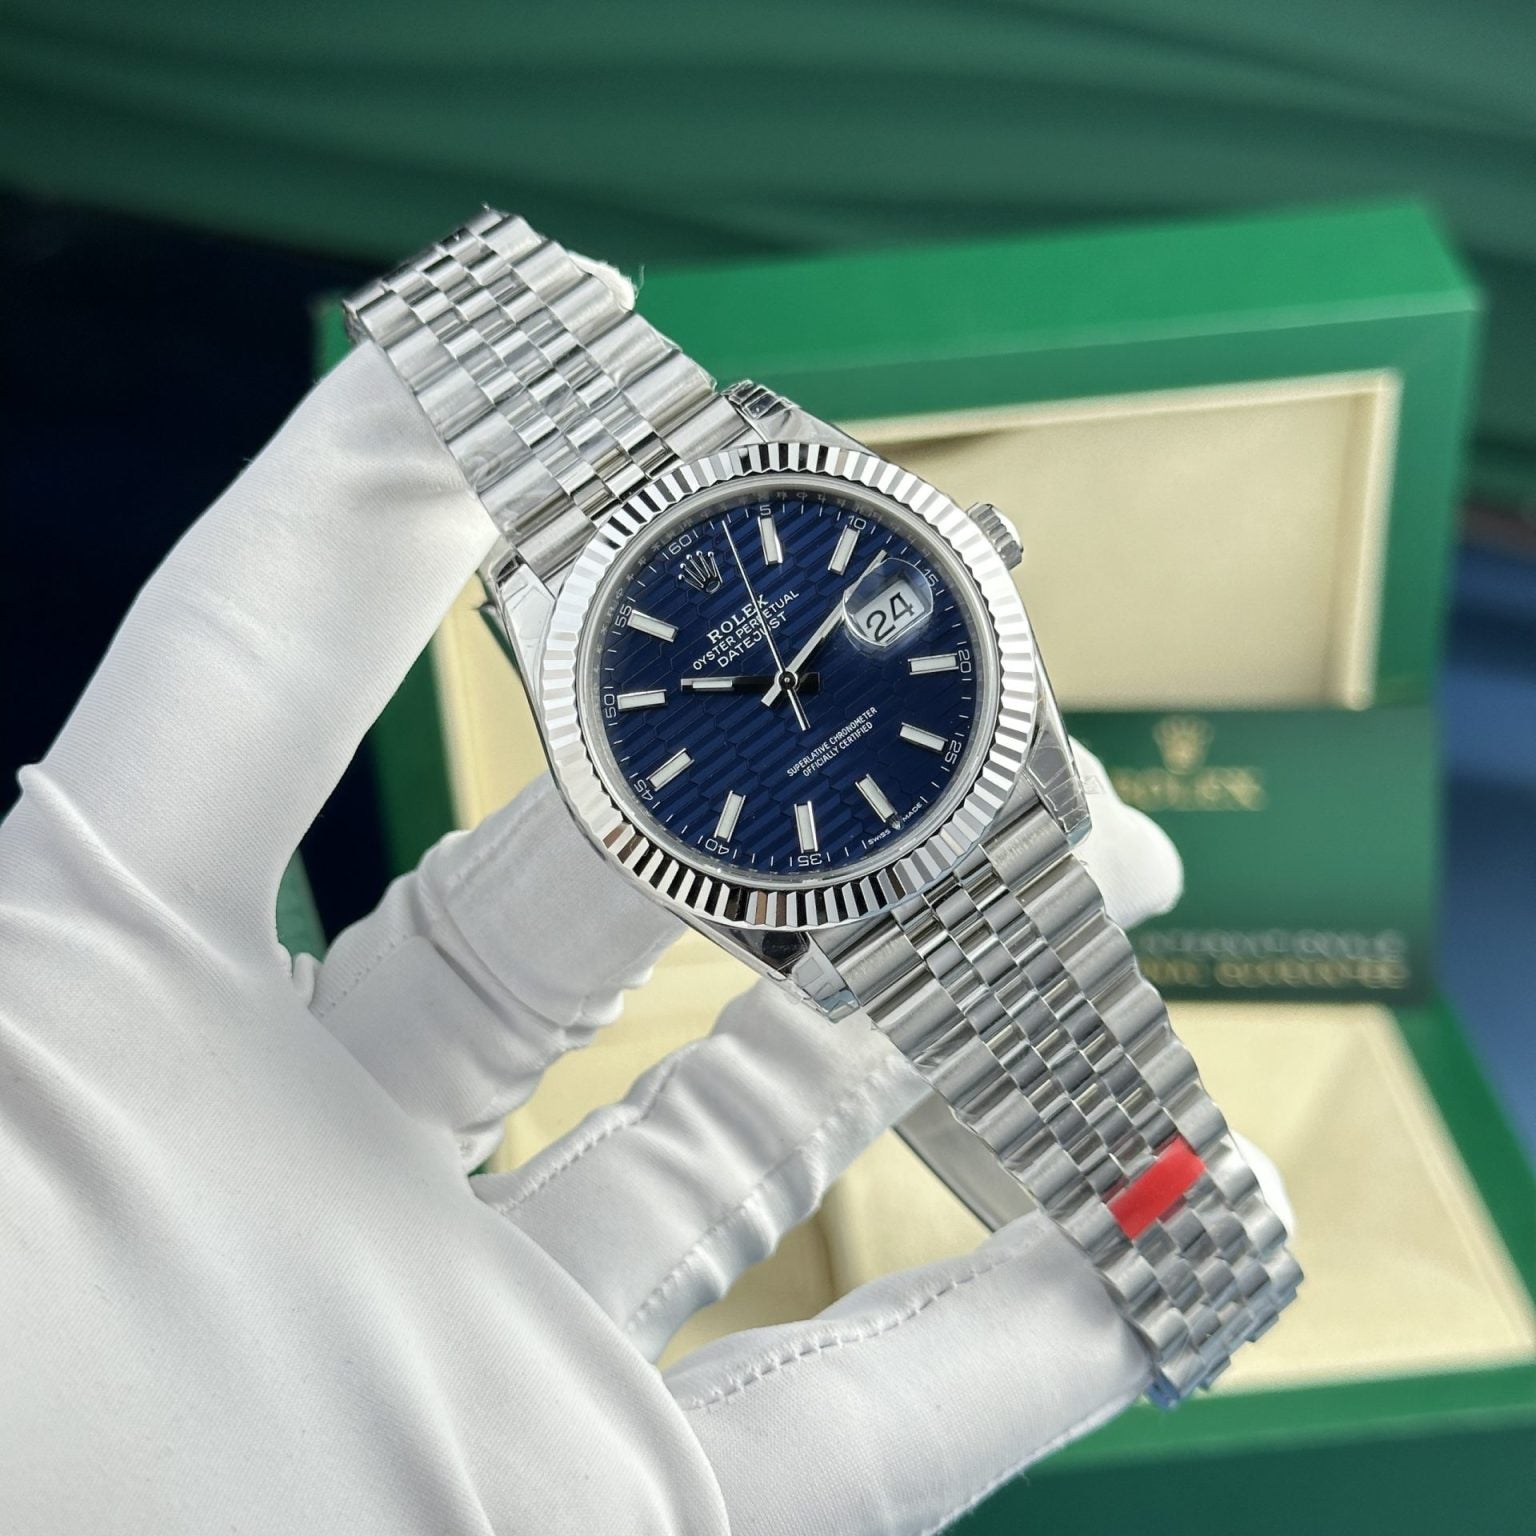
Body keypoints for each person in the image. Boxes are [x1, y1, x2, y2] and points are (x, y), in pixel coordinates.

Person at [0, 258, 1284, 1534]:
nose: (784, 694)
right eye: (753, 698)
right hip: (830, 803)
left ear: (974, 554)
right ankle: (1187, 1235)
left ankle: (1172, 1215)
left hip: (885, 796)